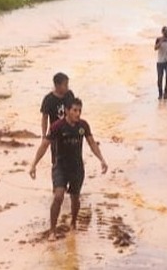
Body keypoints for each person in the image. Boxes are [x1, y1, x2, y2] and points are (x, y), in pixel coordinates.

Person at [29, 98, 108, 242]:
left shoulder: (83, 126)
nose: (78, 114)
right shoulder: (57, 126)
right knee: (58, 196)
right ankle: (52, 230)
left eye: (80, 111)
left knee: (75, 198)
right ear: (67, 111)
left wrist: (102, 159)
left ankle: (73, 223)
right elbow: (44, 145)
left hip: (77, 167)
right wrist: (34, 164)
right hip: (60, 167)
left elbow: (91, 143)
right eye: (75, 110)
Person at [38, 72, 75, 163]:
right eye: (65, 85)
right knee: (56, 157)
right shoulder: (48, 99)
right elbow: (45, 118)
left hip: (69, 130)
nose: (67, 87)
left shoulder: (69, 95)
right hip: (56, 132)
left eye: (67, 84)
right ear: (57, 85)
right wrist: (44, 135)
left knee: (72, 156)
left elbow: (75, 110)